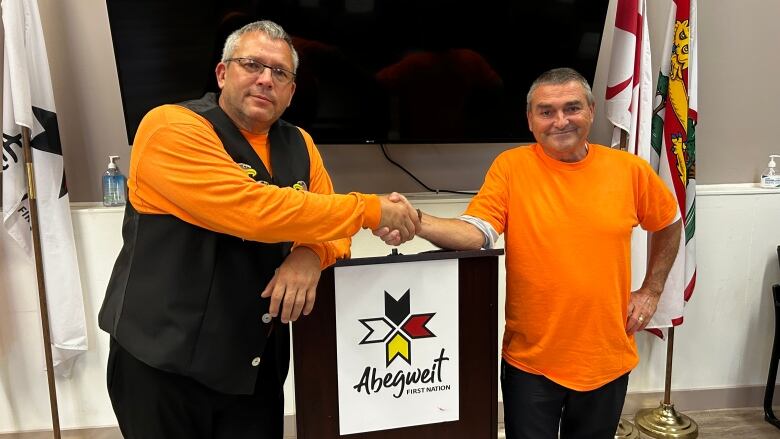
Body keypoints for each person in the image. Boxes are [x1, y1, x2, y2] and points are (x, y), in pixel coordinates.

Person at [98, 20, 419, 439]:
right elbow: (252, 210)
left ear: (291, 91)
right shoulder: (171, 127)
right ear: (222, 73)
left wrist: (309, 255)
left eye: (280, 73)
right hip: (162, 362)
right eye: (252, 64)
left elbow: (329, 229)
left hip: (253, 364)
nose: (266, 79)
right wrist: (371, 210)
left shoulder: (300, 143)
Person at [377, 67, 682, 438]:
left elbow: (669, 223)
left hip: (607, 356)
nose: (560, 121)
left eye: (572, 108)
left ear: (591, 110)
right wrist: (418, 221)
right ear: (529, 119)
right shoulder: (511, 167)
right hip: (530, 362)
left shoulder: (629, 170)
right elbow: (478, 231)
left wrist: (651, 290)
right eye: (546, 111)